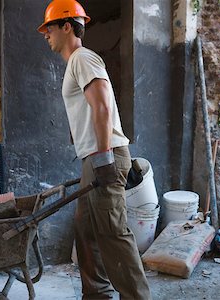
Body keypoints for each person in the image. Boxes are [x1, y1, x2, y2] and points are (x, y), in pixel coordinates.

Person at [37, 1, 151, 299]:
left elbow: (101, 106)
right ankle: (97, 294)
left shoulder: (82, 58)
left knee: (113, 232)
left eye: (49, 27)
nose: (45, 34)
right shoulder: (77, 62)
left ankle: (138, 297)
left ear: (66, 26)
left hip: (106, 156)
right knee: (86, 232)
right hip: (95, 158)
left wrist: (103, 160)